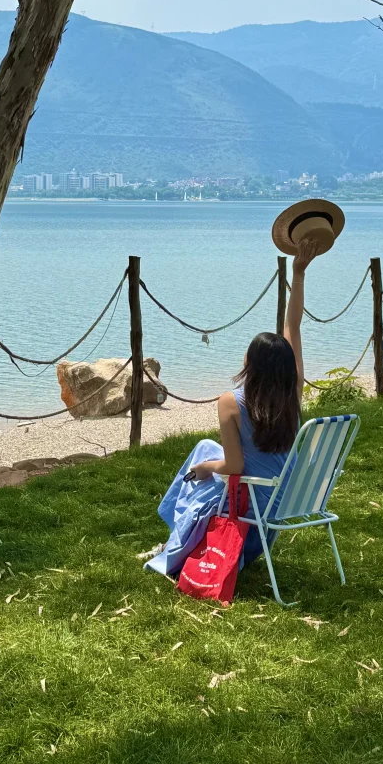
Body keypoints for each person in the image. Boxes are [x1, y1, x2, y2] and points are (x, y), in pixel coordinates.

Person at [145, 240, 318, 581]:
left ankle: (174, 544)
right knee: (205, 448)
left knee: (204, 463)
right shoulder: (293, 391)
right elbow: (293, 328)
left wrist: (208, 468)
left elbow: (235, 466)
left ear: (251, 363)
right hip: (278, 509)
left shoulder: (231, 402)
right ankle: (171, 539)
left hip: (245, 518)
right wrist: (298, 274)